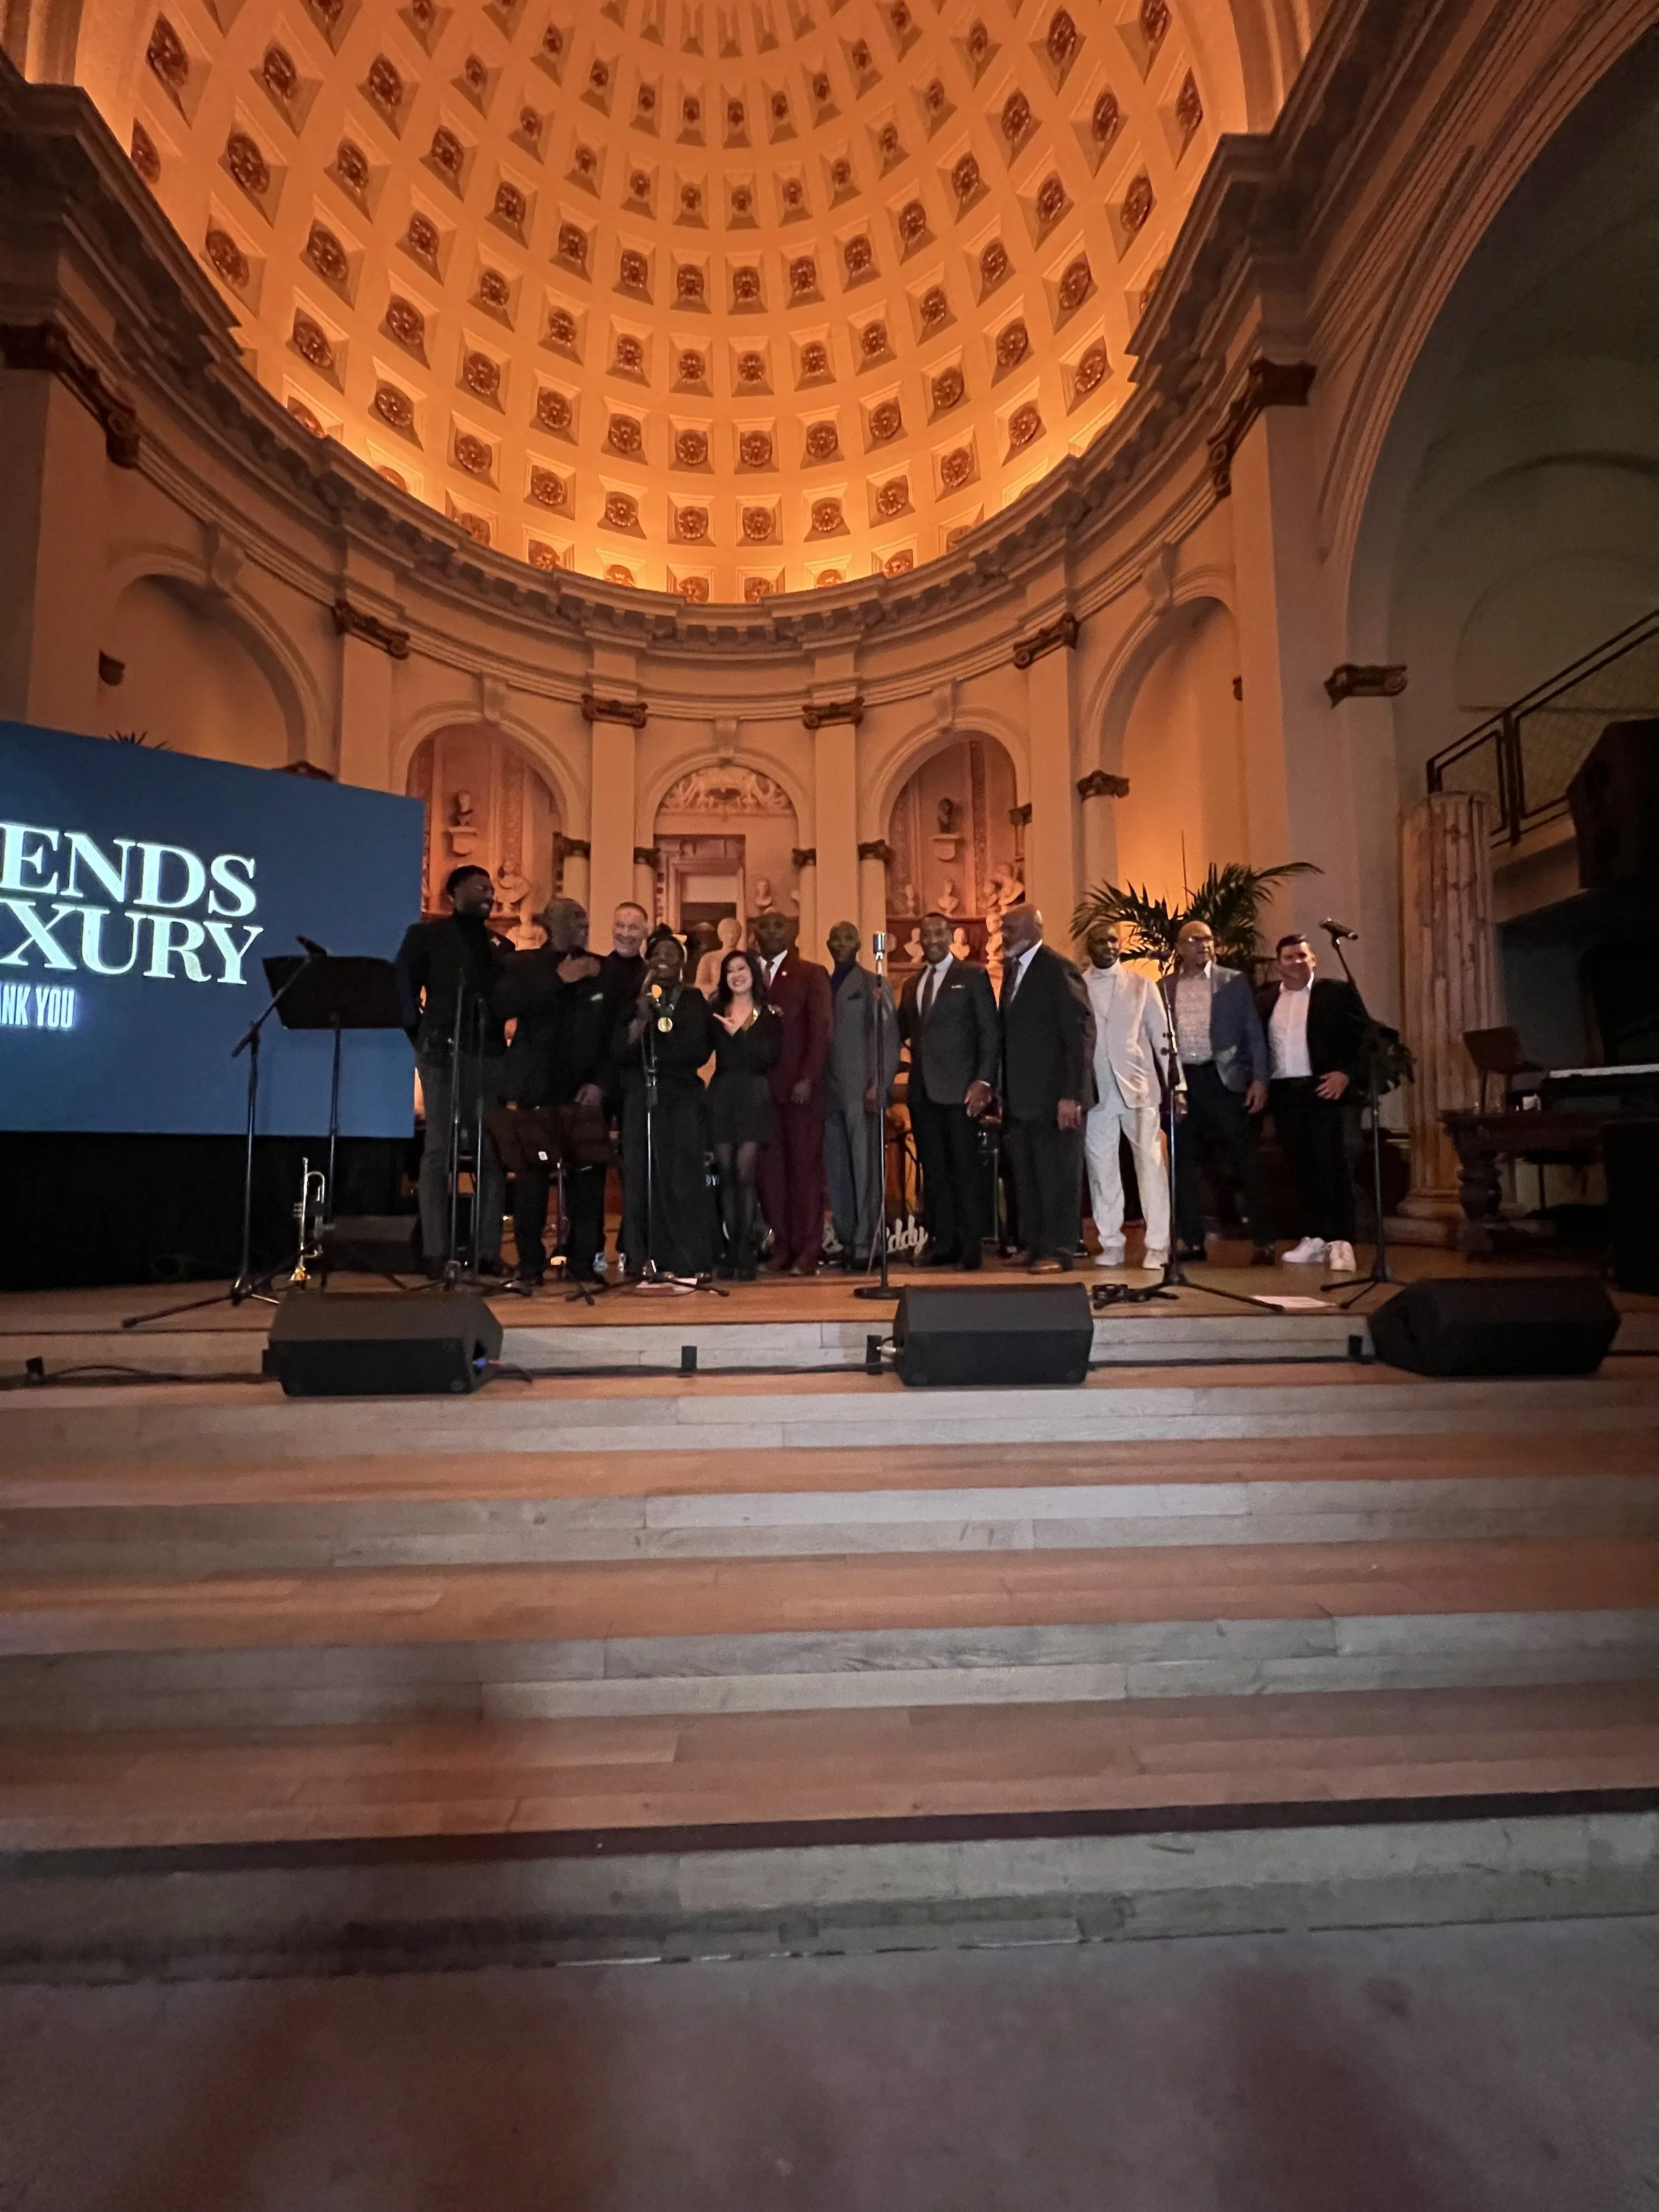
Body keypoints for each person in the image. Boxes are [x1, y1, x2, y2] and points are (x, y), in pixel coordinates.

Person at [394, 863, 512, 1279]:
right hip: (442, 1053)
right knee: (439, 1151)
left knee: (490, 1155)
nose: (489, 893)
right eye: (480, 886)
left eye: (491, 888)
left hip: (488, 1056)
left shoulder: (502, 945)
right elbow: (401, 990)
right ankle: (435, 1251)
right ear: (454, 894)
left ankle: (485, 1251)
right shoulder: (427, 936)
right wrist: (420, 1037)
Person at [494, 897, 612, 1291]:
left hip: (585, 1092)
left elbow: (611, 1030)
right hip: (535, 1090)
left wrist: (599, 1082)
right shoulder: (526, 965)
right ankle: (529, 1263)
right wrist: (559, 980)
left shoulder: (600, 968)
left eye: (585, 917)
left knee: (588, 1179)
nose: (584, 923)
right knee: (531, 1179)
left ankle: (582, 1260)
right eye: (575, 917)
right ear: (551, 923)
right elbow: (503, 1006)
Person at [1158, 918, 1273, 1264]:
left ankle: (1264, 1241)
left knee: (1246, 1162)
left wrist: (1260, 1079)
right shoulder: (1164, 986)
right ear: (1179, 948)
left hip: (1224, 1080)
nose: (1203, 945)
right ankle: (1192, 1241)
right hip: (1182, 1084)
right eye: (1195, 940)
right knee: (1182, 1164)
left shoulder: (1233, 981)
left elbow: (1254, 1032)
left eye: (1208, 939)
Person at [1256, 932, 1366, 1273]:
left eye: (1302, 956)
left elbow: (1366, 1040)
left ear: (1313, 960)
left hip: (1323, 1089)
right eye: (1289, 957)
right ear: (1279, 964)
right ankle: (1314, 1238)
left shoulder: (1335, 993)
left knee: (1331, 1165)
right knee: (1300, 1167)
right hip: (1286, 1093)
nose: (1296, 962)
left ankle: (1341, 1242)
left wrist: (1345, 1074)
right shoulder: (1265, 999)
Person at [610, 932, 716, 1286]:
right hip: (640, 1095)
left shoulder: (693, 998)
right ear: (649, 960)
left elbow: (700, 1049)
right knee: (641, 1175)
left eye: (673, 954)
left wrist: (666, 1054)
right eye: (658, 954)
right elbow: (619, 1052)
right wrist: (640, 1020)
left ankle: (685, 1256)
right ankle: (641, 1256)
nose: (665, 959)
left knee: (682, 1176)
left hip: (681, 1094)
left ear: (683, 961)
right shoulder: (635, 998)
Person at [897, 911, 998, 1269]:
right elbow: (900, 1031)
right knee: (935, 1171)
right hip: (923, 1093)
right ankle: (945, 1243)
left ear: (949, 936)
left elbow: (990, 1032)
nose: (932, 940)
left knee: (964, 1170)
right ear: (920, 940)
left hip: (961, 1092)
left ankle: (971, 1248)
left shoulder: (972, 976)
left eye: (938, 933)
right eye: (926, 934)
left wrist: (984, 1081)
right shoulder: (912, 984)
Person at [996, 904, 1094, 1272]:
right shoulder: (1013, 971)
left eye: (1012, 927)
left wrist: (1073, 1094)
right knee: (1029, 1177)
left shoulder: (1056, 968)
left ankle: (1059, 1251)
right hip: (1022, 1098)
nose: (1004, 934)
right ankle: (1035, 1244)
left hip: (1056, 1097)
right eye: (1003, 928)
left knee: (1059, 1177)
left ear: (1036, 928)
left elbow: (1079, 1033)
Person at [1081, 921, 1176, 1270]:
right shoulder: (1079, 984)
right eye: (1100, 940)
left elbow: (1161, 1036)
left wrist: (1175, 1086)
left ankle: (1158, 1245)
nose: (1108, 946)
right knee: (1102, 1169)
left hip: (1139, 1088)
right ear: (1087, 947)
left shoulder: (1141, 984)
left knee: (1150, 1166)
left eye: (1113, 940)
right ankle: (1111, 1242)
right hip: (1096, 1091)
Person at [751, 909, 833, 1273]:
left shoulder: (810, 973)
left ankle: (808, 1248)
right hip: (761, 1091)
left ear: (793, 932)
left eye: (778, 925)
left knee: (805, 1171)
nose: (771, 932)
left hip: (800, 1090)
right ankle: (782, 1244)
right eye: (764, 926)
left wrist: (808, 1078)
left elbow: (821, 1032)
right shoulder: (749, 974)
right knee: (771, 1174)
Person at [823, 921, 899, 1270]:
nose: (842, 943)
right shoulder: (821, 983)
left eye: (848, 938)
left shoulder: (874, 983)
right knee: (838, 1166)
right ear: (827, 944)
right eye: (836, 938)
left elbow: (887, 1036)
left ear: (859, 944)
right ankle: (847, 1234)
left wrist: (880, 1084)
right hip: (829, 1090)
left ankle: (868, 1241)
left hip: (862, 1087)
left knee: (865, 1165)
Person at [707, 949, 782, 1280]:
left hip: (754, 1094)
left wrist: (740, 1031)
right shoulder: (715, 1010)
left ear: (753, 973)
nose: (736, 975)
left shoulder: (769, 1014)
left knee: (744, 1174)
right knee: (725, 1175)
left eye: (741, 968)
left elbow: (768, 1057)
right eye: (729, 971)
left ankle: (747, 1251)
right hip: (722, 1094)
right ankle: (730, 1250)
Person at [599, 901, 650, 1003]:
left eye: (633, 928)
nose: (625, 934)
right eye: (620, 926)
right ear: (613, 929)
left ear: (645, 933)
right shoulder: (596, 971)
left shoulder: (651, 976)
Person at [693, 915, 743, 997]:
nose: (731, 936)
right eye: (727, 932)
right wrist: (719, 989)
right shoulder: (709, 958)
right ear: (721, 935)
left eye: (735, 932)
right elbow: (699, 985)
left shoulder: (745, 959)